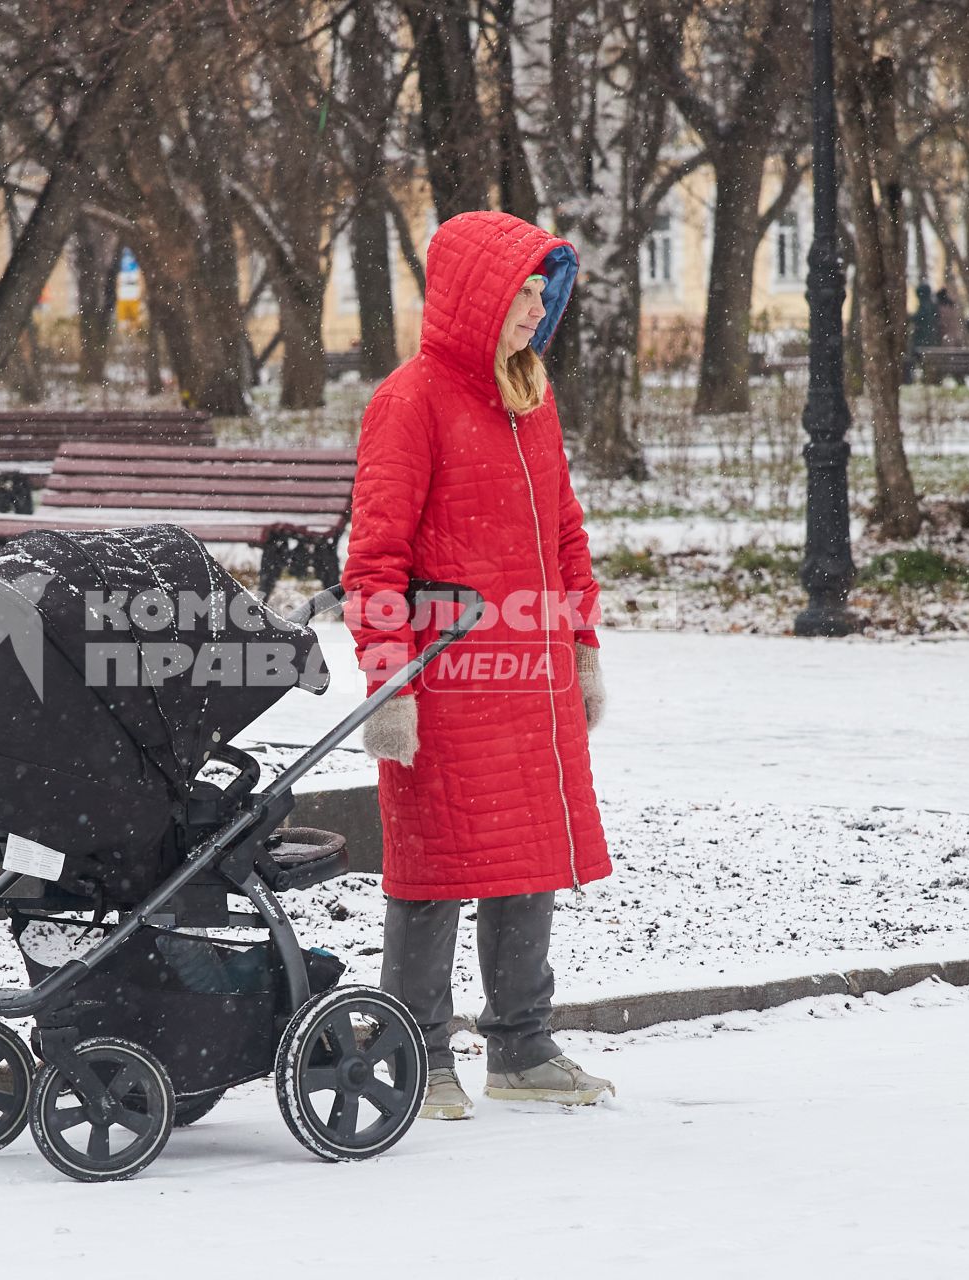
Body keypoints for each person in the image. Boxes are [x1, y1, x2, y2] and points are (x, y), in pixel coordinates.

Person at [343, 210, 614, 1122]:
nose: (537, 311)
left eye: (545, 293)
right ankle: (413, 1053)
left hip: (531, 680)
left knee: (525, 857)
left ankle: (522, 1048)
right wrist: (391, 685)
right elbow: (374, 559)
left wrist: (582, 646)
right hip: (449, 680)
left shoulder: (531, 394)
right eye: (523, 293)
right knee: (436, 866)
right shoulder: (409, 400)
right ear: (476, 297)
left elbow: (567, 535)